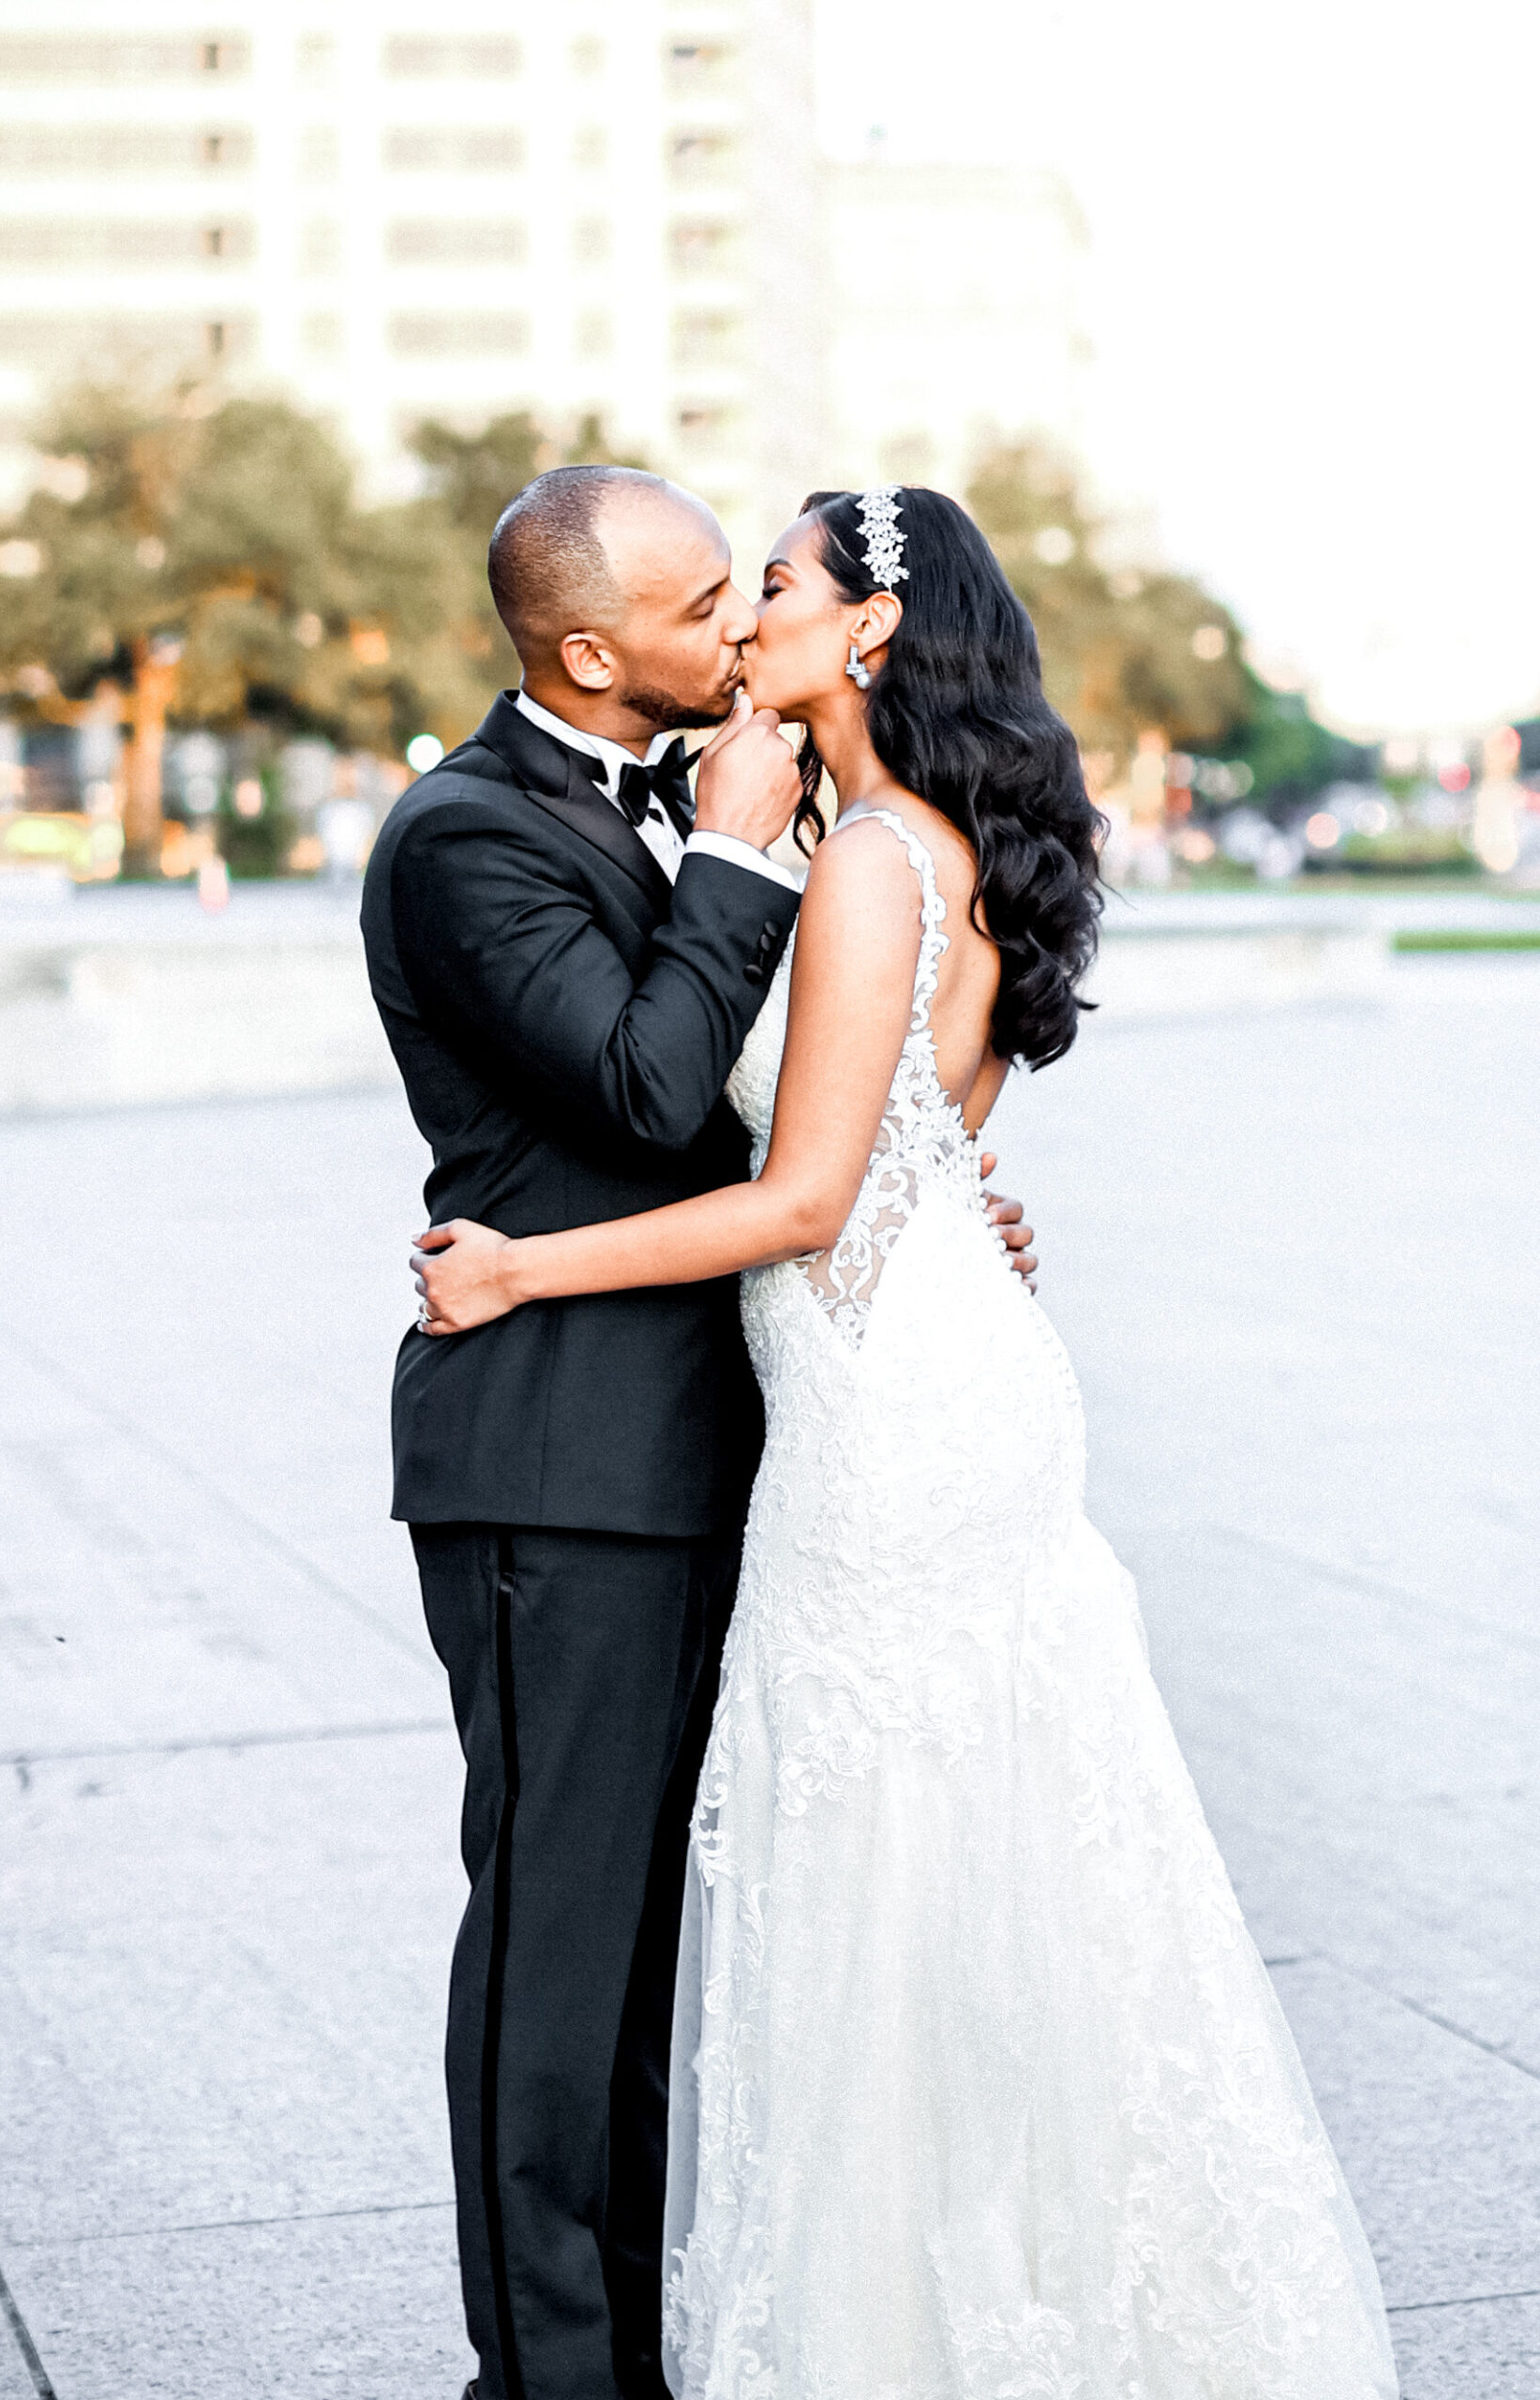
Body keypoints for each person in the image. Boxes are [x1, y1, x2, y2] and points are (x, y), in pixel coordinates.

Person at [411, 487, 1400, 2399]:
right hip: (942, 1361)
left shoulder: (867, 854)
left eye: (769, 583)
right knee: (978, 1853)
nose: (745, 614)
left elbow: (799, 1197)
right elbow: (913, 1156)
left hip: (884, 1410)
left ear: (863, 630)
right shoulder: (943, 847)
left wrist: (524, 1267)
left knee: (879, 1869)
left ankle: (912, 2328)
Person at [360, 466, 1036, 2400]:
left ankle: (661, 2341)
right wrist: (735, 860)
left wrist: (927, 1198)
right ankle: (549, 2378)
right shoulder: (464, 837)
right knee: (559, 1957)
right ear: (590, 649)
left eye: (752, 593)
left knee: (671, 1956)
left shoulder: (750, 806)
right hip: (557, 1469)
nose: (737, 628)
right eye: (697, 608)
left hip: (752, 1450)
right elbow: (657, 1094)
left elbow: (798, 1123)